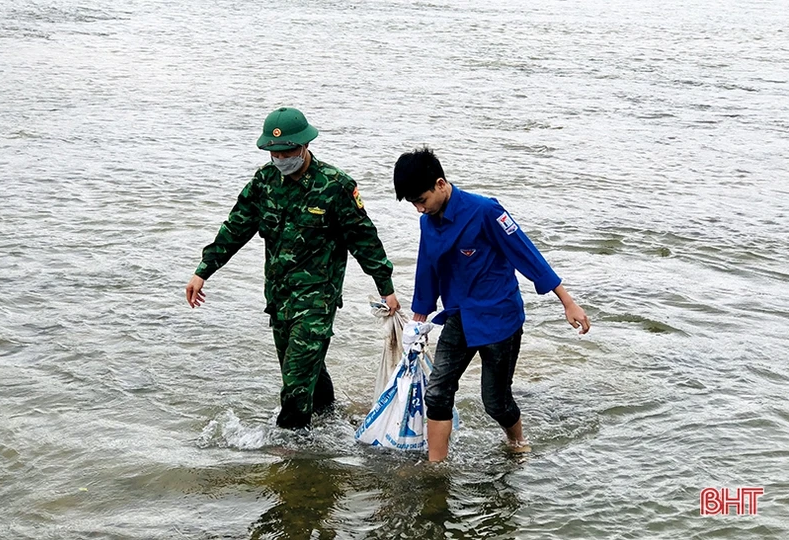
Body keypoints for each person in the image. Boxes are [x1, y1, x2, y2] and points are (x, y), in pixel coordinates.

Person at [186, 107, 400, 429]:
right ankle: (330, 418)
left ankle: (289, 452)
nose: (281, 157)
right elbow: (235, 229)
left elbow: (364, 240)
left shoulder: (335, 186)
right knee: (299, 368)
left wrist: (386, 288)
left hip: (317, 299)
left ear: (304, 146)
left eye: (287, 150)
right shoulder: (264, 181)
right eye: (274, 151)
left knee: (296, 384)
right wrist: (203, 271)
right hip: (279, 297)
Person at [393, 147, 590, 462]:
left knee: (495, 401)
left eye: (422, 200)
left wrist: (567, 302)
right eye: (414, 203)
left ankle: (517, 442)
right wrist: (418, 322)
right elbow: (427, 269)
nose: (419, 209)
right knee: (438, 392)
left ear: (440, 184)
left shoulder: (485, 211)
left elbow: (526, 254)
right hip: (458, 316)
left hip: (500, 318)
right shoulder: (428, 222)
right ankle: (436, 467)